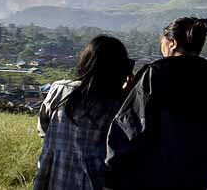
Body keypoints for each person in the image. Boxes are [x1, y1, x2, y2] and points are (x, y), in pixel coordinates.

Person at [105, 17, 207, 190]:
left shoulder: (156, 73)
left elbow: (129, 128)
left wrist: (110, 176)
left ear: (172, 43)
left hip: (152, 176)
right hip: (198, 175)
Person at [34, 35, 133, 190]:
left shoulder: (61, 90)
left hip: (53, 176)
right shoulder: (118, 105)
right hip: (93, 181)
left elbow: (43, 129)